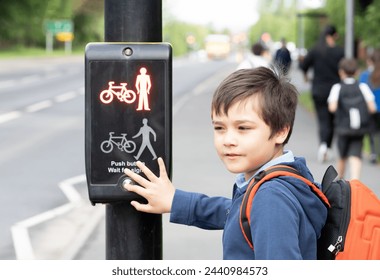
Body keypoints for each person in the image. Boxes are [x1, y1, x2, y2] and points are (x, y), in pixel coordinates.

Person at [123, 67, 328, 260]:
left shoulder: (271, 198)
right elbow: (237, 212)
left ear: (281, 131)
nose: (228, 140)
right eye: (220, 128)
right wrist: (176, 201)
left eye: (243, 128)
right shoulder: (287, 177)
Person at [299, 25, 345, 163]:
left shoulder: (315, 50)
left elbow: (303, 65)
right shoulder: (340, 52)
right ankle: (327, 147)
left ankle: (323, 146)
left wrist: (306, 75)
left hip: (318, 89)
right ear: (334, 36)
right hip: (335, 91)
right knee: (332, 121)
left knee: (322, 119)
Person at [327, 58, 376, 180]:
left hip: (342, 127)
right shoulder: (363, 87)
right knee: (356, 155)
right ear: (357, 72)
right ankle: (355, 181)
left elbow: (332, 108)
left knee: (342, 156)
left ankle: (340, 181)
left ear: (341, 72)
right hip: (359, 128)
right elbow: (372, 107)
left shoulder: (337, 87)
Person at [359, 49, 380, 164]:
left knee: (372, 131)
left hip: (370, 108)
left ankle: (373, 153)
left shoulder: (365, 75)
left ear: (370, 61)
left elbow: (361, 91)